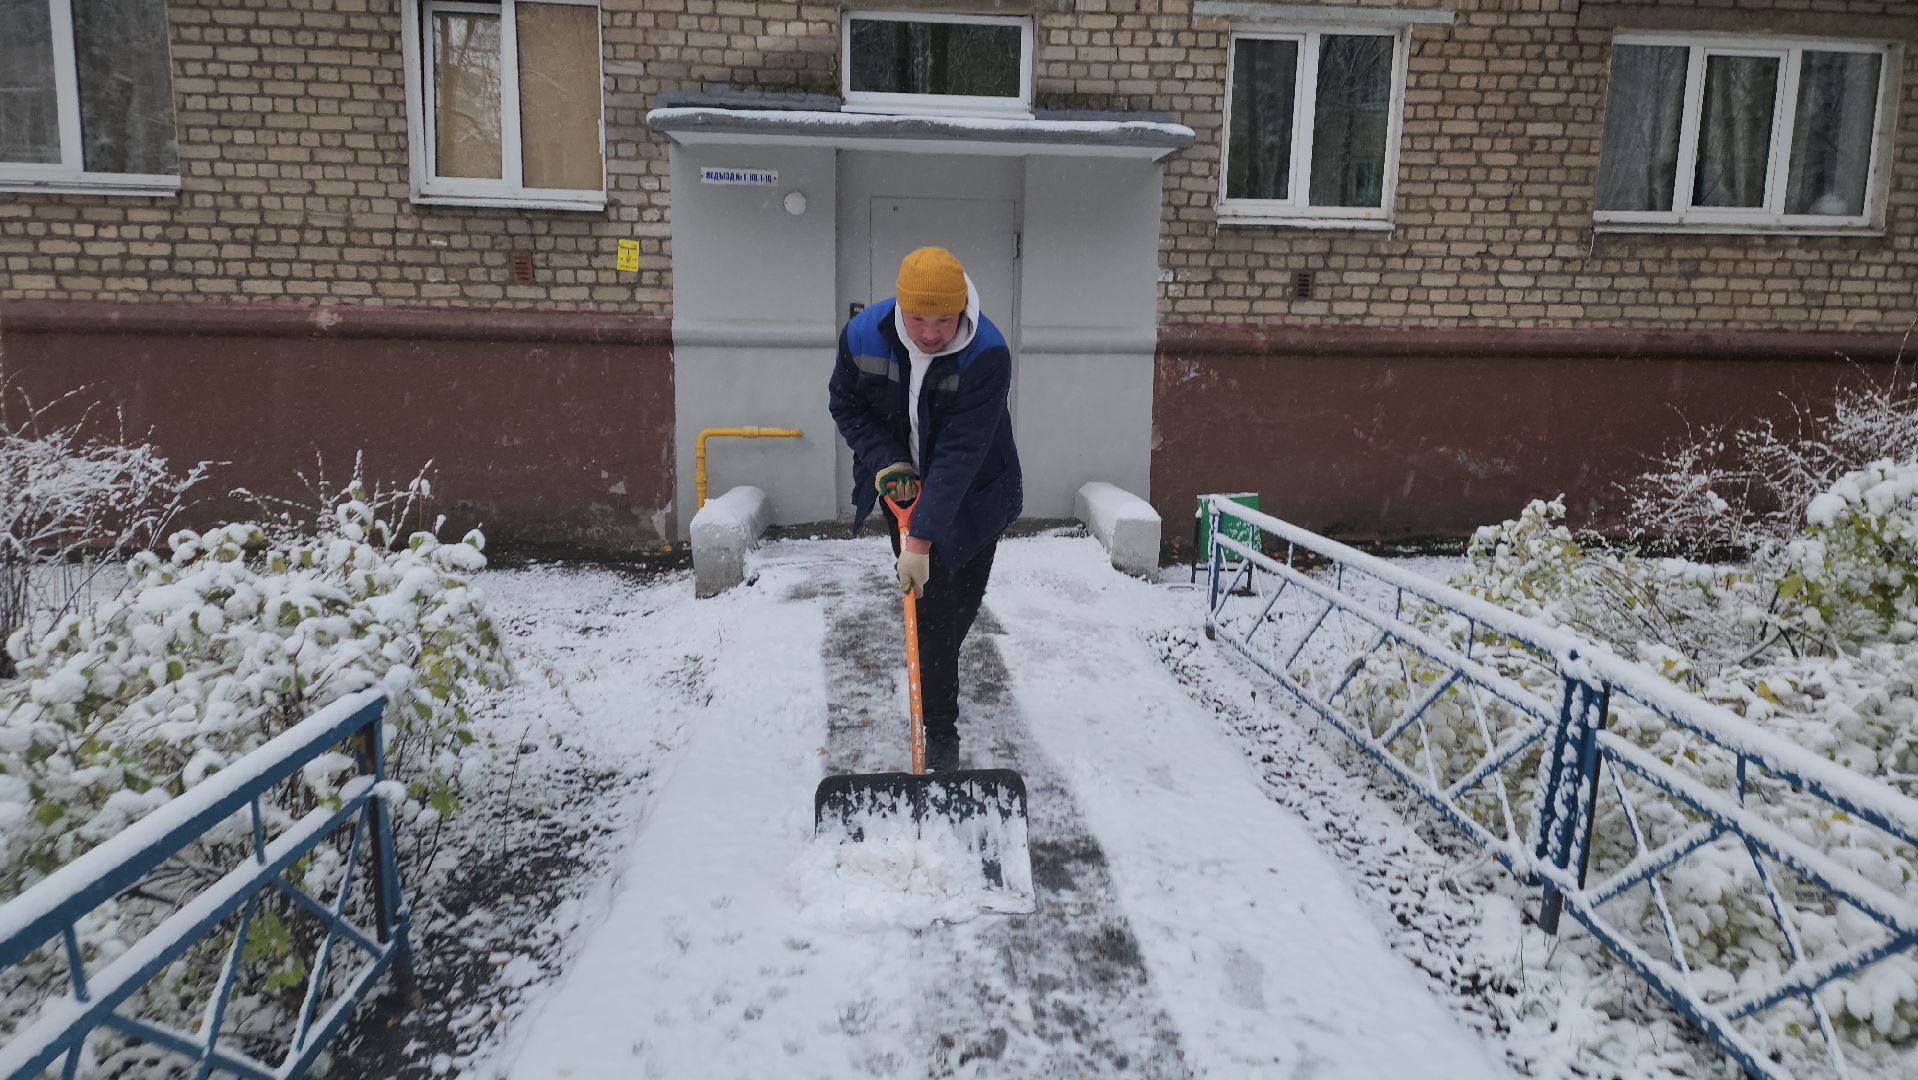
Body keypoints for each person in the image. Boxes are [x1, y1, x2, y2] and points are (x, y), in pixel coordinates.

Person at [828, 246, 1023, 773]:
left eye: (944, 320)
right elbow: (846, 405)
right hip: (905, 494)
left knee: (957, 609)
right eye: (919, 320)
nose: (932, 333)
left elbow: (962, 454)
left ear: (962, 309)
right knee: (933, 611)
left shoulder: (987, 352)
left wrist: (920, 543)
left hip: (977, 495)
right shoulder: (864, 335)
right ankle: (939, 734)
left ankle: (932, 671)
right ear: (900, 308)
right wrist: (887, 459)